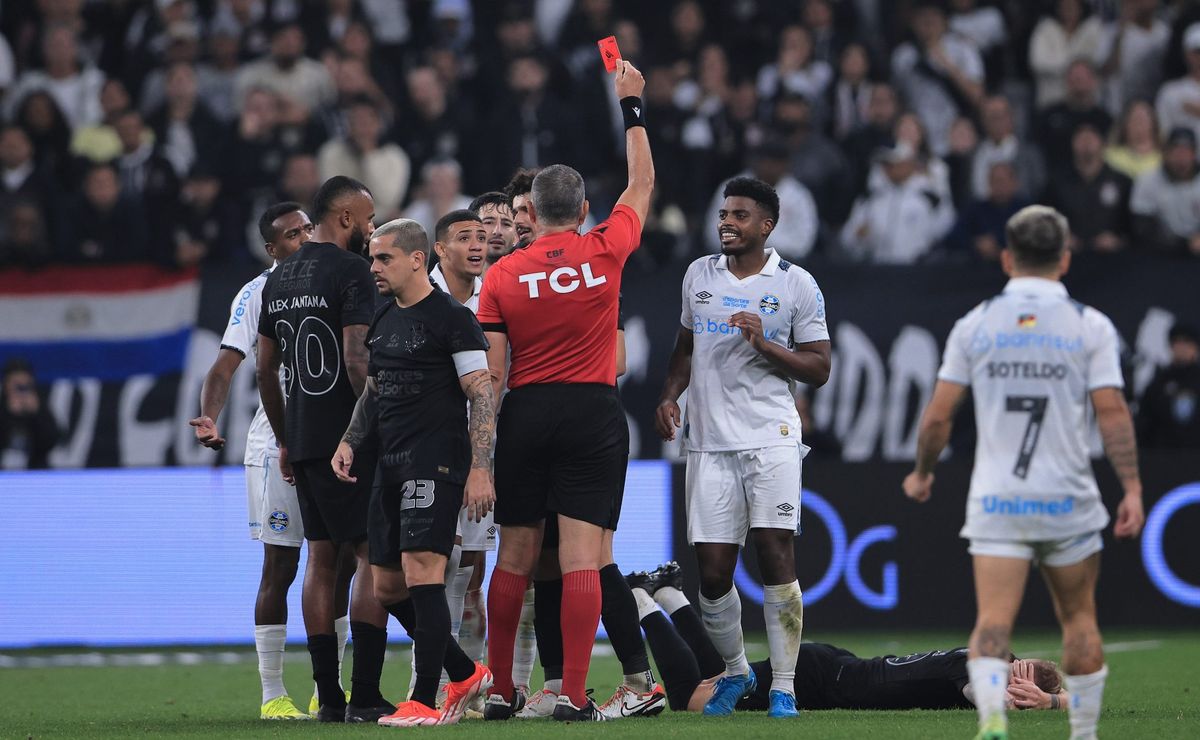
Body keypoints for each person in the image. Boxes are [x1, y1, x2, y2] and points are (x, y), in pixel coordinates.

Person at [903, 205, 1145, 740]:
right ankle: (1083, 733)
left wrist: (922, 473)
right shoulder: (1090, 324)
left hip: (998, 499)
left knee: (992, 622)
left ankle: (992, 720)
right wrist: (1130, 487)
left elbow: (939, 415)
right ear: (1064, 258)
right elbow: (1112, 413)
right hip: (1067, 499)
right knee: (1079, 620)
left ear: (1008, 258)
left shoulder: (976, 323)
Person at [476, 60, 654, 723]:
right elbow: (643, 182)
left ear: (530, 213)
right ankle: (573, 695)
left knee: (515, 557)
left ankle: (500, 690)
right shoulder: (604, 248)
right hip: (591, 411)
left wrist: (479, 456)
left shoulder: (501, 277)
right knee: (583, 557)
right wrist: (631, 105)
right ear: (581, 211)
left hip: (526, 410)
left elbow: (491, 375)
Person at [656, 175, 831, 719]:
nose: (726, 223)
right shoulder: (698, 276)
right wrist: (669, 395)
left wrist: (765, 343)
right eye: (723, 214)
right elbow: (685, 346)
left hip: (772, 438)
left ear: (766, 225)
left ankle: (783, 686)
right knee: (712, 572)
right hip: (708, 442)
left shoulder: (796, 283)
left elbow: (820, 368)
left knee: (776, 555)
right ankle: (737, 673)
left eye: (738, 215)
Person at [330, 218, 495, 726]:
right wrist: (350, 440)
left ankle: (425, 699)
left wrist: (480, 469)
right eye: (373, 259)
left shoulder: (452, 318)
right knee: (387, 588)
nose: (374, 268)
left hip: (436, 461)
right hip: (389, 463)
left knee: (424, 574)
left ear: (418, 258)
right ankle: (465, 672)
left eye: (384, 259)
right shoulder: (384, 318)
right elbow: (376, 390)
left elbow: (482, 394)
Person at [189, 202, 347, 720]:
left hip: (325, 437)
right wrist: (209, 417)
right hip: (273, 442)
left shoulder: (339, 277)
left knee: (341, 562)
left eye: (306, 229)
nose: (302, 238)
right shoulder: (258, 291)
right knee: (281, 565)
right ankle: (272, 693)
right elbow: (224, 367)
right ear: (271, 248)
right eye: (290, 234)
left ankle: (329, 689)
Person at [255, 176, 393, 723]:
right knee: (369, 557)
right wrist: (378, 426)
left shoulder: (280, 276)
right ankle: (363, 694)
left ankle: (328, 698)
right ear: (344, 218)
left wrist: (288, 436)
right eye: (367, 217)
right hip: (348, 437)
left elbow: (267, 370)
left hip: (306, 437)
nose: (370, 227)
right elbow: (357, 358)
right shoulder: (353, 270)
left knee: (320, 558)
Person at [627, 562, 1069, 714]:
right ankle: (642, 599)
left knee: (718, 675)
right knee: (689, 696)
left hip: (831, 669)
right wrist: (1048, 702)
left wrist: (1051, 695)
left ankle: (668, 591)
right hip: (818, 680)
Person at [1138, 323, 1200, 449]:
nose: (1182, 348)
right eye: (1177, 342)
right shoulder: (1159, 382)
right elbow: (1145, 421)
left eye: (1187, 343)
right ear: (1171, 347)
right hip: (1164, 457)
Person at [0, 358, 59, 470]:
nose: (21, 389)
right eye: (17, 385)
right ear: (6, 384)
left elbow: (52, 441)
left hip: (34, 470)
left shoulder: (39, 407)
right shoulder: (2, 409)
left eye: (25, 384)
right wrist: (10, 415)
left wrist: (36, 415)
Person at [470, 191, 518, 272]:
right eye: (488, 222)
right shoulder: (450, 280)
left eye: (506, 224)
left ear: (516, 235)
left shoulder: (526, 280)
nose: (497, 231)